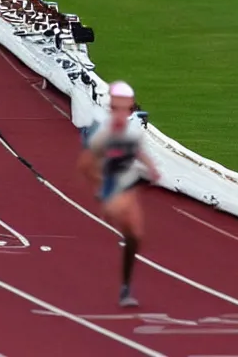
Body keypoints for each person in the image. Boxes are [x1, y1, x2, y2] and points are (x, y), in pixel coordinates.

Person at [77, 80, 160, 307]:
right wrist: (101, 184)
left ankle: (125, 288)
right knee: (121, 214)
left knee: (135, 236)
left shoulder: (133, 130)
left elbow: (137, 150)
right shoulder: (103, 133)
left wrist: (151, 168)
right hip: (112, 186)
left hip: (128, 185)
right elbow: (86, 164)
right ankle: (109, 203)